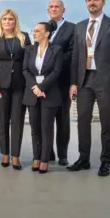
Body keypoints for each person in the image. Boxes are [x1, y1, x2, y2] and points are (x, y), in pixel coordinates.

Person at [68, 0, 110, 177]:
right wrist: (73, 83)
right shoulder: (79, 26)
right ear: (85, 3)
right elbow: (76, 58)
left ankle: (105, 162)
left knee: (107, 123)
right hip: (84, 80)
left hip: (106, 82)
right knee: (82, 121)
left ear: (103, 1)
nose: (92, 3)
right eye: (89, 0)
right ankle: (83, 159)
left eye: (95, 0)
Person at [22, 20, 64, 174]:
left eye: (37, 31)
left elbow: (56, 72)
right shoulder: (29, 50)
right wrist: (35, 87)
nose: (34, 33)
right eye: (33, 31)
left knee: (46, 128)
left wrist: (42, 87)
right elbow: (25, 70)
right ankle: (36, 157)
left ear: (47, 33)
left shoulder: (56, 50)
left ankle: (45, 159)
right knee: (35, 128)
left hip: (49, 93)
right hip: (32, 93)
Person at [0, 9, 31, 170]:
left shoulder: (23, 37)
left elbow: (29, 61)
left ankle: (15, 155)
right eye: (5, 19)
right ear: (1, 21)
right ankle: (5, 154)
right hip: (0, 87)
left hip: (19, 86)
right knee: (2, 121)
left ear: (15, 21)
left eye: (11, 19)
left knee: (17, 122)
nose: (8, 22)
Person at [47, 0, 75, 166]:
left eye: (57, 7)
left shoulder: (72, 28)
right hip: (46, 83)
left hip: (63, 81)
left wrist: (51, 61)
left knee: (63, 119)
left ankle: (63, 154)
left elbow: (72, 53)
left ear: (63, 10)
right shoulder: (44, 27)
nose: (54, 9)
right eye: (51, 7)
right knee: (46, 119)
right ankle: (48, 152)